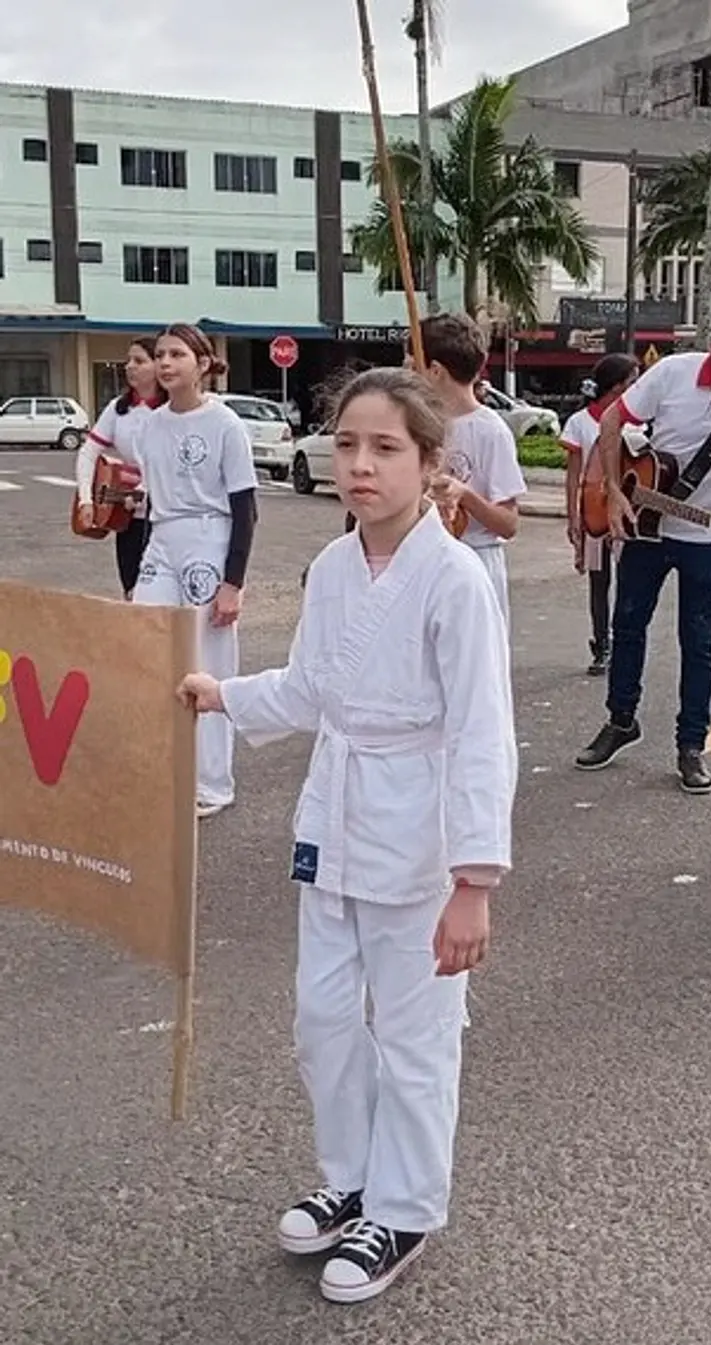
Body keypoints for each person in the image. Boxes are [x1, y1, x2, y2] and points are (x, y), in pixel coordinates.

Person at [177, 367, 517, 1305]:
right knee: (323, 1018)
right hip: (335, 817)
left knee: (415, 1033)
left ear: (430, 462)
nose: (361, 466)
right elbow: (313, 688)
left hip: (421, 826)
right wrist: (223, 698)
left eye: (386, 448)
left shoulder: (452, 579)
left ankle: (406, 1206)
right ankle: (356, 1175)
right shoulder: (333, 568)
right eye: (347, 445)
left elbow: (485, 730)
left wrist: (474, 879)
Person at [575, 304, 711, 794]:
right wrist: (617, 491)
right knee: (627, 626)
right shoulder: (672, 373)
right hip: (648, 528)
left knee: (698, 642)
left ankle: (691, 745)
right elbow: (611, 420)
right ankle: (621, 719)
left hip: (707, 535)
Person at [133, 324, 258, 819]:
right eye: (160, 354)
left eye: (177, 354)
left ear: (202, 363)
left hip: (211, 535)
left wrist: (233, 582)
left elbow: (245, 506)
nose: (165, 363)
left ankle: (213, 782)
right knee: (147, 646)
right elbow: (149, 504)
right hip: (163, 539)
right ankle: (165, 769)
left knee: (207, 663)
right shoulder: (150, 425)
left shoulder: (225, 424)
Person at [416, 314, 527, 626]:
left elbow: (508, 523)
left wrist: (464, 495)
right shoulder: (419, 426)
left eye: (412, 367)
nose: (406, 375)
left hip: (477, 562)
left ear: (435, 371)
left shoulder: (490, 430)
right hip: (425, 561)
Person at [560, 353, 639, 676]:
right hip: (594, 510)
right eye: (633, 381)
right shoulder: (581, 422)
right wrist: (572, 518)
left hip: (628, 511)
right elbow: (573, 474)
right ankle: (601, 644)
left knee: (630, 581)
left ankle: (624, 643)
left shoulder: (637, 420)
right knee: (599, 581)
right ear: (617, 386)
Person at [75, 336, 164, 599]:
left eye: (139, 361)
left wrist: (145, 489)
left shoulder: (172, 410)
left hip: (165, 517)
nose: (129, 366)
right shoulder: (118, 409)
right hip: (128, 519)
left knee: (160, 595)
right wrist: (86, 500)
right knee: (132, 591)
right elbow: (89, 451)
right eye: (128, 361)